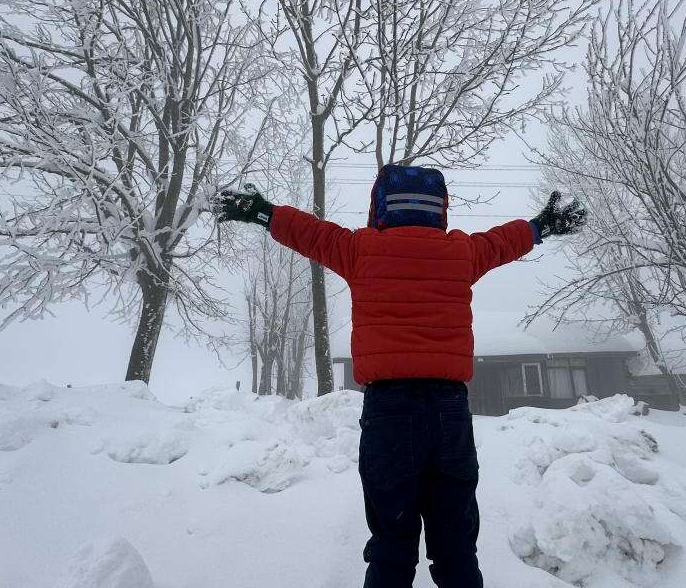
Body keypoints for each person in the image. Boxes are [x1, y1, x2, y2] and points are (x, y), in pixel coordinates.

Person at [213, 165, 586, 588]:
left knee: (391, 547)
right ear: (439, 207)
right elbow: (505, 242)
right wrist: (543, 225)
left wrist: (261, 211)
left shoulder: (361, 249)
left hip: (388, 413)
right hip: (449, 412)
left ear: (380, 206)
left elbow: (309, 233)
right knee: (456, 550)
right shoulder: (460, 252)